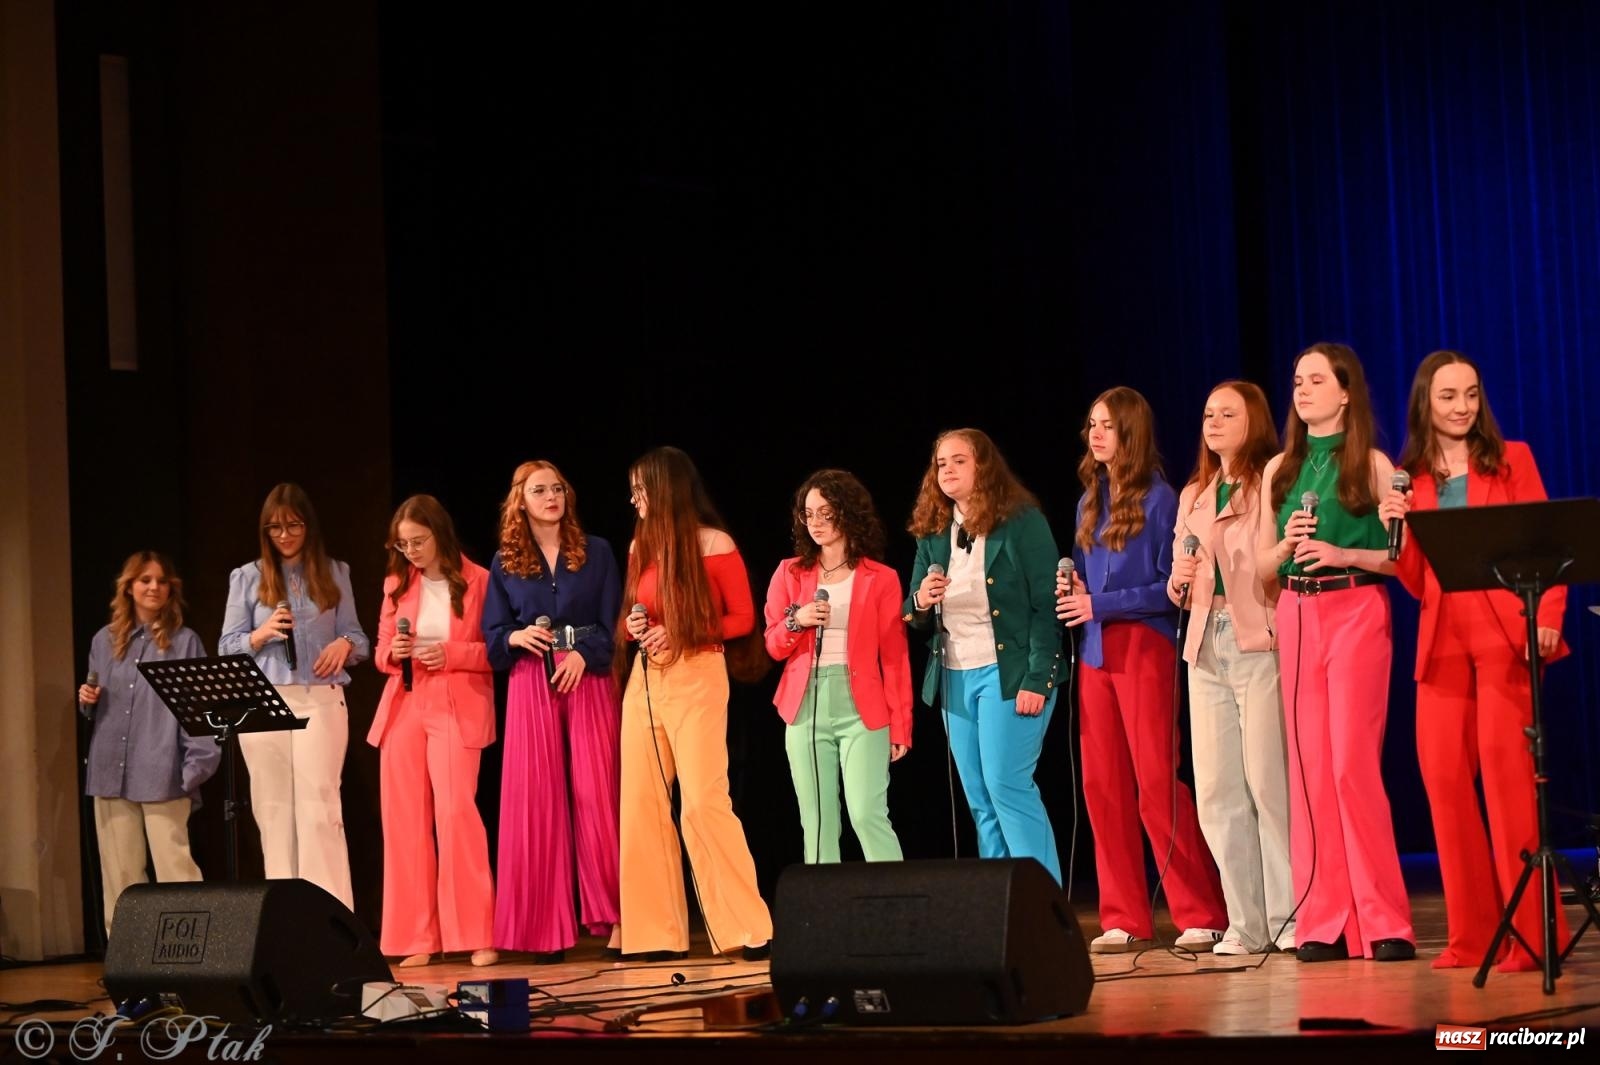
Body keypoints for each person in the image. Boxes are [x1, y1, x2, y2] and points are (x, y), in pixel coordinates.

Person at [1386, 350, 1569, 971]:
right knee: (1444, 787)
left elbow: (1548, 545)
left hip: (1503, 640)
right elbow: (1416, 581)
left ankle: (1531, 937)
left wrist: (1546, 619)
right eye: (1447, 397)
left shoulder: (1510, 458)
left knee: (1510, 788)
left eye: (1469, 394)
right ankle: (1473, 936)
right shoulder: (1410, 476)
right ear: (1425, 405)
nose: (1461, 407)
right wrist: (1401, 529)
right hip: (1442, 647)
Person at [1256, 342, 1414, 962]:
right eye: (1297, 379)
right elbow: (1261, 570)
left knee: (1351, 764)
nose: (1302, 388)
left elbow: (1400, 561)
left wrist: (1345, 553)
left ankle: (1383, 920)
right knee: (1309, 769)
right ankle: (1323, 921)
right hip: (1295, 610)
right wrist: (1288, 545)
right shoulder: (1280, 470)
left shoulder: (1371, 464)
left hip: (1355, 608)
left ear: (1346, 391)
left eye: (1316, 379)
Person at [1057, 388, 1227, 954]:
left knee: (1156, 782)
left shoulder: (1160, 499)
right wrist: (1077, 591)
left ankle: (1200, 911)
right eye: (1091, 424)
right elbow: (1090, 582)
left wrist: (1098, 605)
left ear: (1130, 432)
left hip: (1143, 648)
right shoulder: (1089, 502)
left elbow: (1169, 590)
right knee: (1103, 786)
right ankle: (1124, 915)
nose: (1095, 434)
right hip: (1096, 653)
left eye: (1106, 425)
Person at [616, 446, 771, 960]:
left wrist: (681, 633)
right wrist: (634, 624)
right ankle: (655, 935)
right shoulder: (643, 544)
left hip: (698, 672)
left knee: (703, 801)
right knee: (642, 804)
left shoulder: (713, 542)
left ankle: (748, 928)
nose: (634, 497)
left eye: (642, 487)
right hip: (645, 682)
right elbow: (634, 614)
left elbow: (743, 619)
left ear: (666, 488)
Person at [1168, 381, 1294, 955]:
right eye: (1207, 413)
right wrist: (1177, 580)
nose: (1213, 422)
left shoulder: (1269, 480)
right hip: (1205, 645)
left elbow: (1275, 563)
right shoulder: (1195, 493)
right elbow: (1181, 568)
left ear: (1254, 422)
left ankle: (1290, 918)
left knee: (1268, 784)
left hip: (1255, 640)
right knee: (1217, 791)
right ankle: (1245, 924)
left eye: (1227, 413)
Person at [907, 428, 1063, 883]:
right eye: (941, 464)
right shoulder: (935, 532)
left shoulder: (1021, 522)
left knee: (1006, 786)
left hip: (1009, 673)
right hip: (956, 675)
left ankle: (1045, 904)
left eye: (959, 461)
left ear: (983, 467)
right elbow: (911, 610)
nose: (948, 471)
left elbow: (1046, 605)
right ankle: (1001, 908)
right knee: (979, 797)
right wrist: (921, 599)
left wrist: (1038, 678)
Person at [483, 461, 623, 963]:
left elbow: (613, 623)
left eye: (557, 488)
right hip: (531, 680)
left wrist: (586, 655)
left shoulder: (598, 552)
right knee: (535, 804)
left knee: (597, 795)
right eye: (539, 490)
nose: (551, 497)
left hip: (587, 676)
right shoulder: (506, 562)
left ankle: (618, 918)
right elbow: (494, 635)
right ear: (520, 500)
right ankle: (545, 931)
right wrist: (516, 637)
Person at [219, 483, 369, 908]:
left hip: (319, 697)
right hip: (262, 701)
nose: (284, 535)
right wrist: (262, 634)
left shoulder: (335, 572)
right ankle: (285, 919)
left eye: (293, 525)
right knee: (272, 810)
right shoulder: (247, 576)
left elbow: (358, 637)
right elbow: (227, 645)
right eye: (274, 528)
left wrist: (345, 645)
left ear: (309, 525)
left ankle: (332, 919)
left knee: (319, 807)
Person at [370, 494, 497, 968]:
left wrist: (452, 654)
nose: (411, 552)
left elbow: (497, 651)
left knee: (456, 813)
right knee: (404, 822)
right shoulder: (397, 583)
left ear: (439, 533)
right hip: (405, 702)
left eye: (418, 541)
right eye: (403, 545)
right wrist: (395, 651)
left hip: (456, 701)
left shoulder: (481, 581)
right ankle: (415, 936)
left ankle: (476, 932)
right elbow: (382, 649)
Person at [763, 469, 912, 864]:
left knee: (866, 814)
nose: (815, 523)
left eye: (825, 513)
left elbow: (894, 657)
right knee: (818, 821)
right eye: (808, 514)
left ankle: (898, 913)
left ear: (847, 514)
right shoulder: (789, 573)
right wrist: (799, 620)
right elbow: (773, 644)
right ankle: (823, 920)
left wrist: (901, 725)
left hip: (862, 707)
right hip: (806, 703)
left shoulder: (882, 578)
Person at [79, 551, 220, 933]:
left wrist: (194, 769)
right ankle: (128, 961)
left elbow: (199, 711)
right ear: (128, 587)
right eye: (144, 580)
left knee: (176, 870)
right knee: (121, 876)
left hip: (162, 771)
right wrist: (87, 701)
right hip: (111, 771)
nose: (153, 587)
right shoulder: (103, 641)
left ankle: (194, 955)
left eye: (161, 581)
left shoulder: (184, 641)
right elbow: (98, 706)